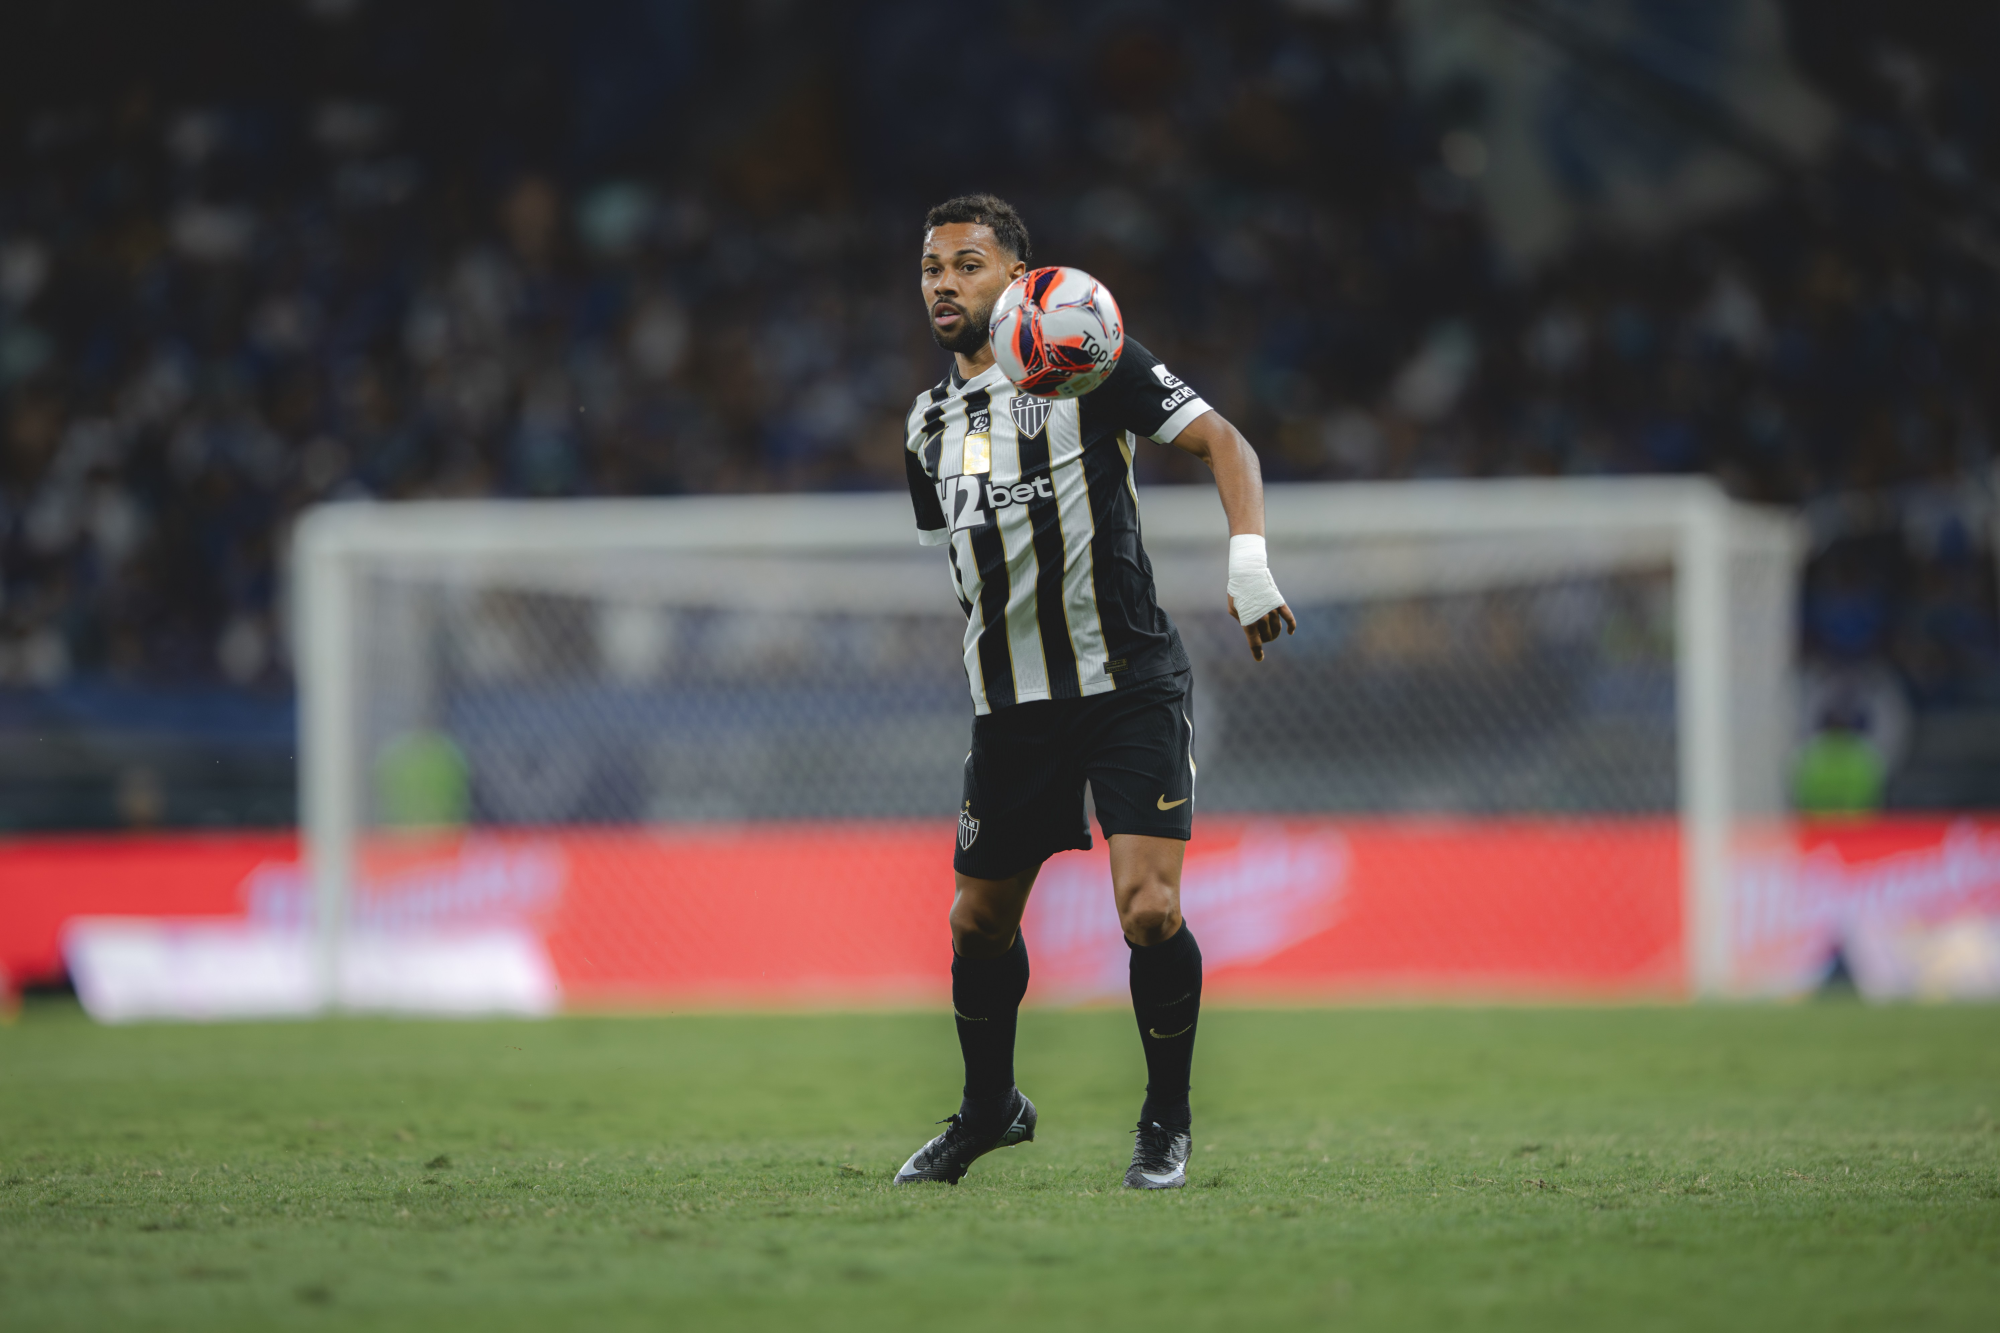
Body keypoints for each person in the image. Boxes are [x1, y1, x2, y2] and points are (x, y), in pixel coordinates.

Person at [893, 194, 1295, 1190]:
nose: (944, 282)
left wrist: (1247, 558)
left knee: (1148, 909)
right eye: (932, 267)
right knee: (974, 924)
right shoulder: (924, 424)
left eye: (967, 264)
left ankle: (1164, 1119)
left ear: (1015, 276)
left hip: (1125, 684)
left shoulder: (1083, 356)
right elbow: (964, 561)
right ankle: (990, 1110)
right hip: (1013, 706)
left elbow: (1224, 442)